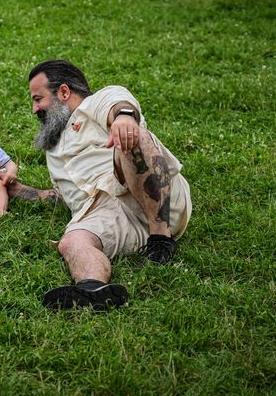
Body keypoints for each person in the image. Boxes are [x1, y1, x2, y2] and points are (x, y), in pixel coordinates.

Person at [28, 59, 192, 311]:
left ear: (63, 92)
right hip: (108, 216)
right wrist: (18, 190)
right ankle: (92, 290)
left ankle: (161, 239)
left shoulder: (96, 104)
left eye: (38, 99)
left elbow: (120, 102)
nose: (34, 108)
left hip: (155, 198)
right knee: (72, 241)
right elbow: (62, 196)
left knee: (132, 137)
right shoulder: (54, 149)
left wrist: (124, 118)